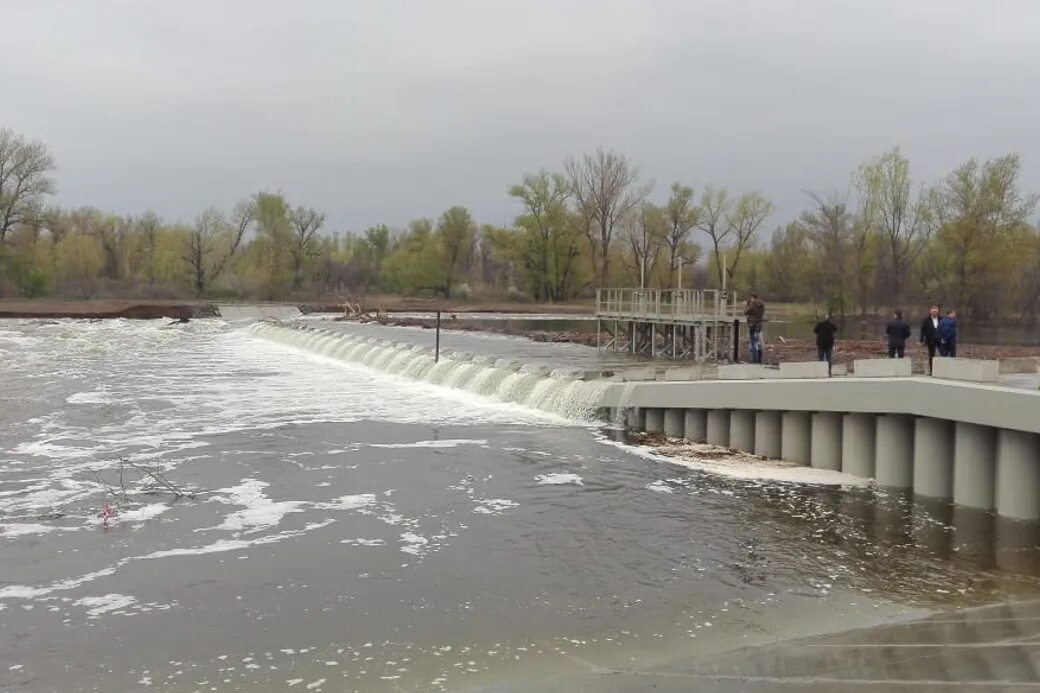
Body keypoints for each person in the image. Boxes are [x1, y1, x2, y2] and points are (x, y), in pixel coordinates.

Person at [919, 305, 942, 373]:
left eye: (936, 311)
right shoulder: (926, 319)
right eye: (933, 311)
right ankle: (932, 370)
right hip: (930, 339)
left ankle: (941, 369)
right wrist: (921, 340)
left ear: (938, 311)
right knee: (931, 355)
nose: (935, 312)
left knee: (942, 353)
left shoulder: (941, 319)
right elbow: (923, 330)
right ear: (930, 311)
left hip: (939, 339)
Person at [744, 293, 765, 364]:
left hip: (752, 325)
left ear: (753, 298)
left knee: (753, 343)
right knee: (758, 342)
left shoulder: (752, 305)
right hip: (759, 325)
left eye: (751, 298)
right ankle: (759, 359)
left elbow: (745, 312)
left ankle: (754, 360)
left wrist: (747, 304)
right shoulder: (762, 305)